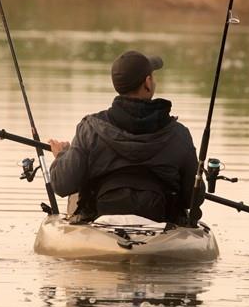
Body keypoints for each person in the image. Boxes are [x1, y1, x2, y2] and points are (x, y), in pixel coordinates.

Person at [47, 50, 203, 225]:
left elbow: (62, 185)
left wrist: (62, 156)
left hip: (100, 223)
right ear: (148, 83)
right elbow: (193, 198)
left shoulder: (89, 128)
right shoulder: (179, 133)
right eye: (152, 76)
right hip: (160, 225)